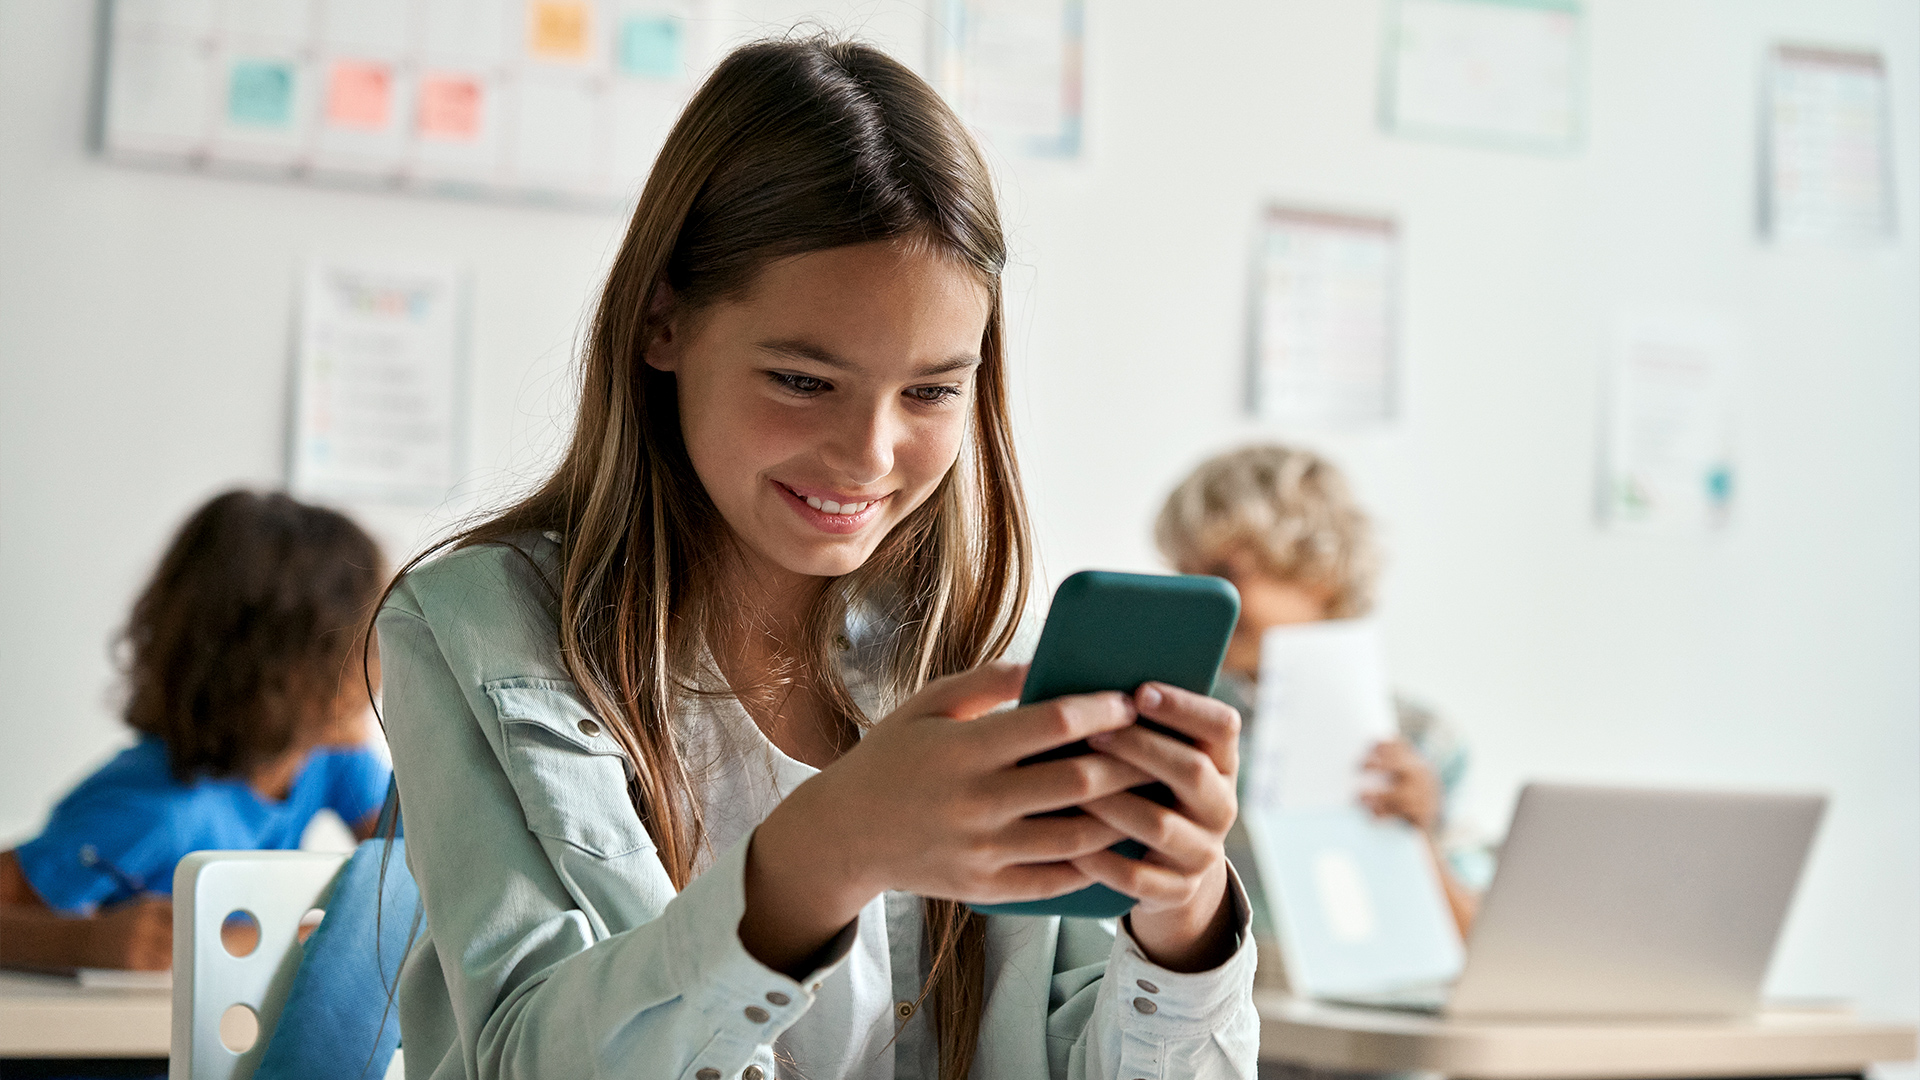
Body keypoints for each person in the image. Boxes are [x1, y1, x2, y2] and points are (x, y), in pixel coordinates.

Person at [376, 37, 1257, 1080]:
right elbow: (523, 1060)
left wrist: (1184, 917)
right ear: (663, 323)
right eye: (802, 380)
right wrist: (824, 853)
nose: (869, 455)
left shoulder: (982, 659)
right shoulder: (476, 628)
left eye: (931, 391)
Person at [0, 490, 392, 972]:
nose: (384, 659)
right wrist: (85, 942)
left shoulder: (331, 760)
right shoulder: (154, 810)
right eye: (363, 640)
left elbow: (418, 883)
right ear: (280, 676)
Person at [1155, 444, 1488, 938]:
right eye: (1185, 574)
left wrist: (1419, 835)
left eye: (1225, 573)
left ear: (1321, 575)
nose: (1199, 597)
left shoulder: (1420, 740)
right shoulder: (1175, 718)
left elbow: (1476, 937)